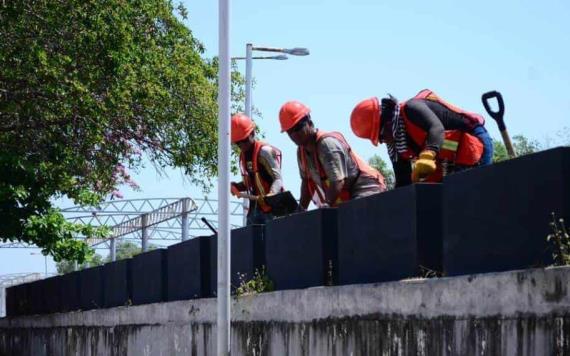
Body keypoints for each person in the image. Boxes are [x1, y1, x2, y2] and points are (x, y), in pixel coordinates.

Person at [350, 89, 494, 187]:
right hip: (448, 160)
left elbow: (437, 128)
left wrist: (428, 154)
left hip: (473, 145)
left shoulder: (412, 109)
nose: (382, 141)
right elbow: (403, 182)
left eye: (380, 136)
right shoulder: (397, 146)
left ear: (387, 122)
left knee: (471, 198)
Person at [279, 101, 386, 210]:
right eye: (290, 131)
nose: (294, 134)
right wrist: (300, 210)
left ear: (309, 123)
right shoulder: (301, 152)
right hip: (347, 195)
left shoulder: (327, 144)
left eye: (298, 128)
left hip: (366, 188)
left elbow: (337, 181)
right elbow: (307, 183)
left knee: (354, 219)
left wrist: (326, 205)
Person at [230, 113, 284, 225]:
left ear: (252, 133)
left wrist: (271, 194)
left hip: (273, 211)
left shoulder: (264, 152)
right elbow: (250, 183)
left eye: (244, 140)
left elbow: (278, 179)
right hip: (254, 211)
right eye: (238, 143)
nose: (242, 145)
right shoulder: (243, 157)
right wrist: (236, 186)